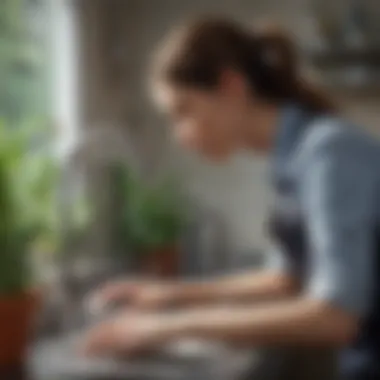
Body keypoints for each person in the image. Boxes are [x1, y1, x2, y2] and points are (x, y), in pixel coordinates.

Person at [82, 17, 380, 379]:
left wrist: (165, 328)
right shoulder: (294, 158)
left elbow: (336, 317)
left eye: (183, 110)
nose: (180, 134)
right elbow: (286, 279)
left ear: (231, 87)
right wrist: (168, 296)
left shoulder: (328, 152)